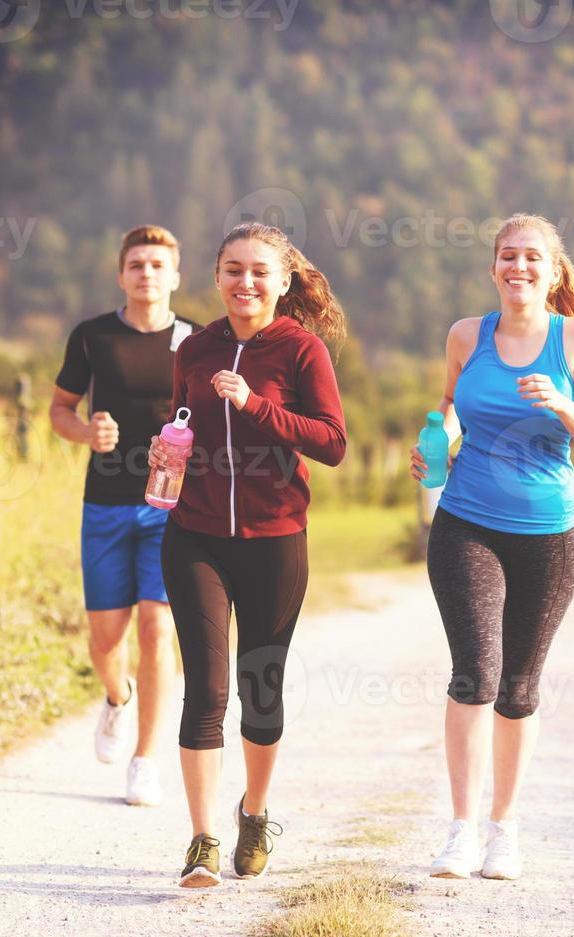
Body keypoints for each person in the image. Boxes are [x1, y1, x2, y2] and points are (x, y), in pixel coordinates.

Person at [410, 212, 574, 880]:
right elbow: (448, 403)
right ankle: (460, 831)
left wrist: (559, 402)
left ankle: (504, 829)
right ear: (492, 267)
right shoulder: (467, 335)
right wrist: (433, 442)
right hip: (465, 522)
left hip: (547, 537)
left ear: (551, 270)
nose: (517, 268)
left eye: (531, 258)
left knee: (518, 688)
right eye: (506, 256)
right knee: (474, 671)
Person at [148, 221, 347, 887]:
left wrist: (257, 406)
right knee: (204, 690)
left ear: (283, 280)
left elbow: (330, 442)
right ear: (216, 276)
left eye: (260, 271)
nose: (245, 282)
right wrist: (164, 447)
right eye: (233, 269)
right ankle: (201, 839)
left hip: (274, 541)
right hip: (195, 537)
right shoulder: (195, 349)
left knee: (259, 693)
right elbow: (182, 418)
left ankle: (254, 815)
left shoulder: (300, 350)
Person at [49, 225, 201, 807]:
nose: (147, 274)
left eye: (158, 265)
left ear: (176, 276)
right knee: (105, 640)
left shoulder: (193, 340)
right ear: (121, 275)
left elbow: (212, 416)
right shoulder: (92, 337)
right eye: (137, 264)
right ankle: (117, 698)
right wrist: (86, 431)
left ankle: (145, 759)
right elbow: (59, 411)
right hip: (106, 505)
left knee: (158, 628)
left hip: (169, 505)